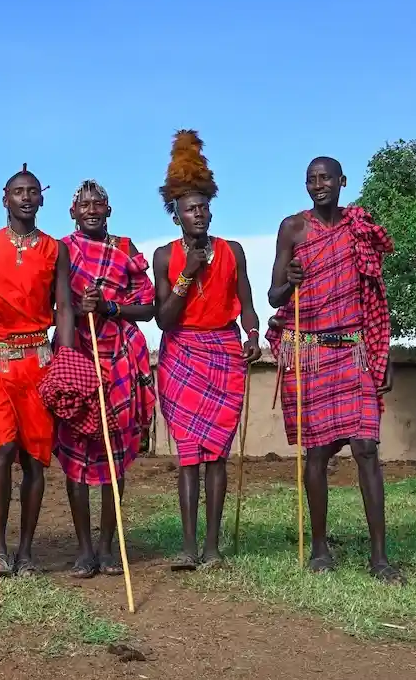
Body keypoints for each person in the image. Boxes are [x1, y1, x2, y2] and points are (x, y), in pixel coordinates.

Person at [266, 156, 404, 584]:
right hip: (309, 352)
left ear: (342, 182)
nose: (318, 184)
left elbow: (376, 294)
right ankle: (321, 547)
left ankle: (379, 556)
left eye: (325, 178)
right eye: (311, 179)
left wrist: (384, 354)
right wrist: (290, 279)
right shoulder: (293, 228)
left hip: (353, 348)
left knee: (366, 447)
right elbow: (274, 296)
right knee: (319, 451)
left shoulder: (357, 227)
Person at [152, 130, 262, 571]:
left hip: (223, 350)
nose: (198, 214)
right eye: (189, 209)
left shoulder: (233, 252)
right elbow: (163, 319)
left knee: (217, 451)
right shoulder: (165, 257)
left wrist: (253, 337)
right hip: (181, 354)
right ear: (176, 216)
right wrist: (188, 273)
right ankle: (187, 545)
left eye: (203, 207)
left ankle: (212, 548)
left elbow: (249, 307)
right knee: (188, 455)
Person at [0, 165, 73, 577]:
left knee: (35, 460)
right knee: (2, 450)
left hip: (38, 360)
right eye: (17, 192)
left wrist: (67, 358)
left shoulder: (55, 249)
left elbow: (63, 307)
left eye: (32, 191)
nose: (25, 197)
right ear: (4, 199)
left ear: (41, 199)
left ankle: (26, 551)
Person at [57, 180, 156, 578]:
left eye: (99, 204)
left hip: (119, 357)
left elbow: (148, 307)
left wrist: (111, 306)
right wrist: (79, 309)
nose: (92, 210)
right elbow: (52, 303)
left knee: (114, 456)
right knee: (75, 451)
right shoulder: (62, 249)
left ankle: (107, 547)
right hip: (77, 351)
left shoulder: (125, 250)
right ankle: (84, 550)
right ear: (73, 213)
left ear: (110, 210)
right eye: (85, 205)